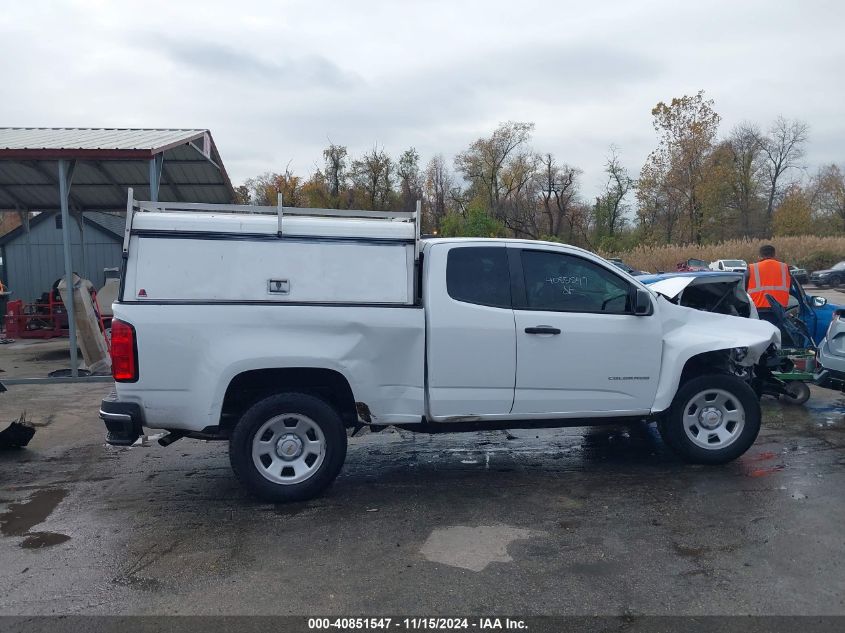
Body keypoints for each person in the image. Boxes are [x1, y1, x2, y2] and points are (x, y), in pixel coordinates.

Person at [746, 244, 791, 326]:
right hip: (780, 308)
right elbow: (790, 287)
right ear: (774, 254)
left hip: (759, 309)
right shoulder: (784, 267)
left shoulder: (752, 268)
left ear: (760, 255)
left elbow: (743, 289)